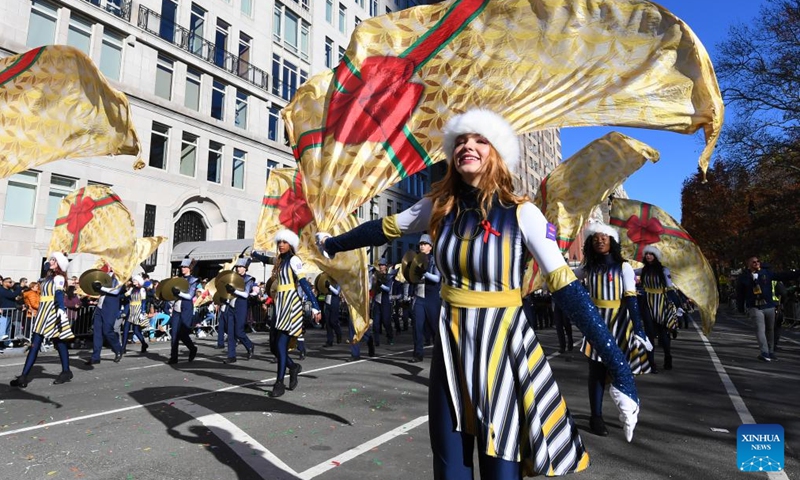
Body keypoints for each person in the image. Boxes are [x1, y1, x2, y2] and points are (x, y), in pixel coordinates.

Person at [317, 109, 639, 478]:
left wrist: (620, 369)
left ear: (497, 154)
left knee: (500, 465)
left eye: (480, 140)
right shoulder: (437, 207)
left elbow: (566, 289)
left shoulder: (524, 213)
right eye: (460, 141)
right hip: (450, 353)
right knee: (449, 465)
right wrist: (334, 244)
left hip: (503, 352)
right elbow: (383, 228)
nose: (467, 145)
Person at [574, 223, 652, 437]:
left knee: (621, 370)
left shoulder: (624, 267)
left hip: (619, 325)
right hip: (595, 325)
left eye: (604, 238)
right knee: (596, 373)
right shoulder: (588, 267)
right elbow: (569, 277)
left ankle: (627, 411)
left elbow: (630, 297)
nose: (600, 241)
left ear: (611, 242)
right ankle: (596, 417)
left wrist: (639, 329)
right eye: (595, 238)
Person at [265, 229, 321, 397]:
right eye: (279, 242)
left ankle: (279, 383)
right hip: (280, 303)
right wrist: (254, 254)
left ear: (291, 244)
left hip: (291, 304)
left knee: (281, 344)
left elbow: (303, 283)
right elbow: (268, 259)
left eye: (284, 242)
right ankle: (293, 367)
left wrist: (315, 305)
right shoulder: (280, 261)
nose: (281, 245)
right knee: (273, 346)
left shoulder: (294, 260)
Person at [10, 253, 75, 387]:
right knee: (35, 345)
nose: (50, 261)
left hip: (53, 311)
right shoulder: (49, 276)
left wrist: (61, 310)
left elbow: (58, 294)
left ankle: (66, 371)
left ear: (59, 264)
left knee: (59, 342)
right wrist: (52, 261)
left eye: (53, 260)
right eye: (51, 259)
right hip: (43, 312)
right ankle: (23, 377)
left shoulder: (58, 277)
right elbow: (46, 267)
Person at [735, 256, 800, 362]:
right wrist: (740, 307)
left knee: (770, 329)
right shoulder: (744, 277)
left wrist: (797, 273)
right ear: (748, 264)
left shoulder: (766, 273)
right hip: (755, 307)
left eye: (758, 261)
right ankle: (764, 352)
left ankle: (771, 351)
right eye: (754, 262)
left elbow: (784, 276)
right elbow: (740, 294)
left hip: (769, 306)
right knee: (760, 329)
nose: (756, 263)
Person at [636, 245, 683, 371]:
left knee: (663, 334)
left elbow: (670, 289)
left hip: (661, 303)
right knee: (649, 333)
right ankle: (651, 363)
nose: (648, 256)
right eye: (647, 254)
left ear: (656, 256)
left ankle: (668, 357)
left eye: (651, 254)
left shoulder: (664, 270)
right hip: (647, 303)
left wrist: (677, 305)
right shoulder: (643, 270)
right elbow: (629, 272)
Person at [411, 234, 441, 363]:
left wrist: (424, 272)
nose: (422, 246)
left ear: (430, 246)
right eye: (421, 244)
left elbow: (437, 278)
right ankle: (418, 354)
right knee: (417, 327)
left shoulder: (435, 260)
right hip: (419, 296)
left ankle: (439, 354)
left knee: (435, 327)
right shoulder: (416, 260)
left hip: (432, 297)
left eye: (425, 244)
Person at [85, 265, 124, 365]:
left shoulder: (120, 277)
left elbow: (116, 291)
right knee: (97, 333)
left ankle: (118, 349)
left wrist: (101, 287)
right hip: (100, 306)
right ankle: (95, 357)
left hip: (110, 308)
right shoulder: (105, 275)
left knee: (107, 331)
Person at [221, 256, 256, 364]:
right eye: (237, 267)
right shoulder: (232, 278)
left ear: (245, 268)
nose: (238, 269)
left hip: (241, 305)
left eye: (241, 267)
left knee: (239, 331)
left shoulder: (249, 279)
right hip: (230, 306)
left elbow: (245, 294)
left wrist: (234, 290)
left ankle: (250, 345)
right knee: (230, 332)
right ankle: (231, 356)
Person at [168, 257, 199, 364]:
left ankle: (192, 348)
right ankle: (174, 357)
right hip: (176, 309)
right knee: (174, 334)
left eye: (185, 267)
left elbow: (190, 296)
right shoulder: (178, 279)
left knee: (183, 333)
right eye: (182, 267)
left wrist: (179, 293)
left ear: (190, 268)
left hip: (186, 309)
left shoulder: (194, 280)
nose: (182, 269)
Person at [121, 275, 149, 354]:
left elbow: (144, 301)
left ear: (138, 281)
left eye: (135, 280)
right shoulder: (132, 289)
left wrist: (142, 312)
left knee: (136, 330)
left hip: (138, 310)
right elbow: (125, 295)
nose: (133, 282)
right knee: (126, 328)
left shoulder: (142, 290)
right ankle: (123, 347)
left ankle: (144, 344)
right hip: (131, 309)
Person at [371, 258, 394, 346]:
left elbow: (388, 289)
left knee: (386, 321)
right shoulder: (375, 275)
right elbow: (371, 286)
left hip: (385, 302)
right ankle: (376, 341)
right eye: (380, 265)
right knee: (376, 323)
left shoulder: (389, 276)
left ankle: (390, 337)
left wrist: (381, 285)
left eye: (383, 265)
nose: (381, 267)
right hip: (377, 301)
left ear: (386, 266)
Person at [322, 278, 343, 347]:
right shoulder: (328, 279)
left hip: (334, 302)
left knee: (333, 321)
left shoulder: (339, 282)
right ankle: (329, 341)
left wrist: (329, 286)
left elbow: (337, 292)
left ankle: (339, 333)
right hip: (328, 301)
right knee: (328, 323)